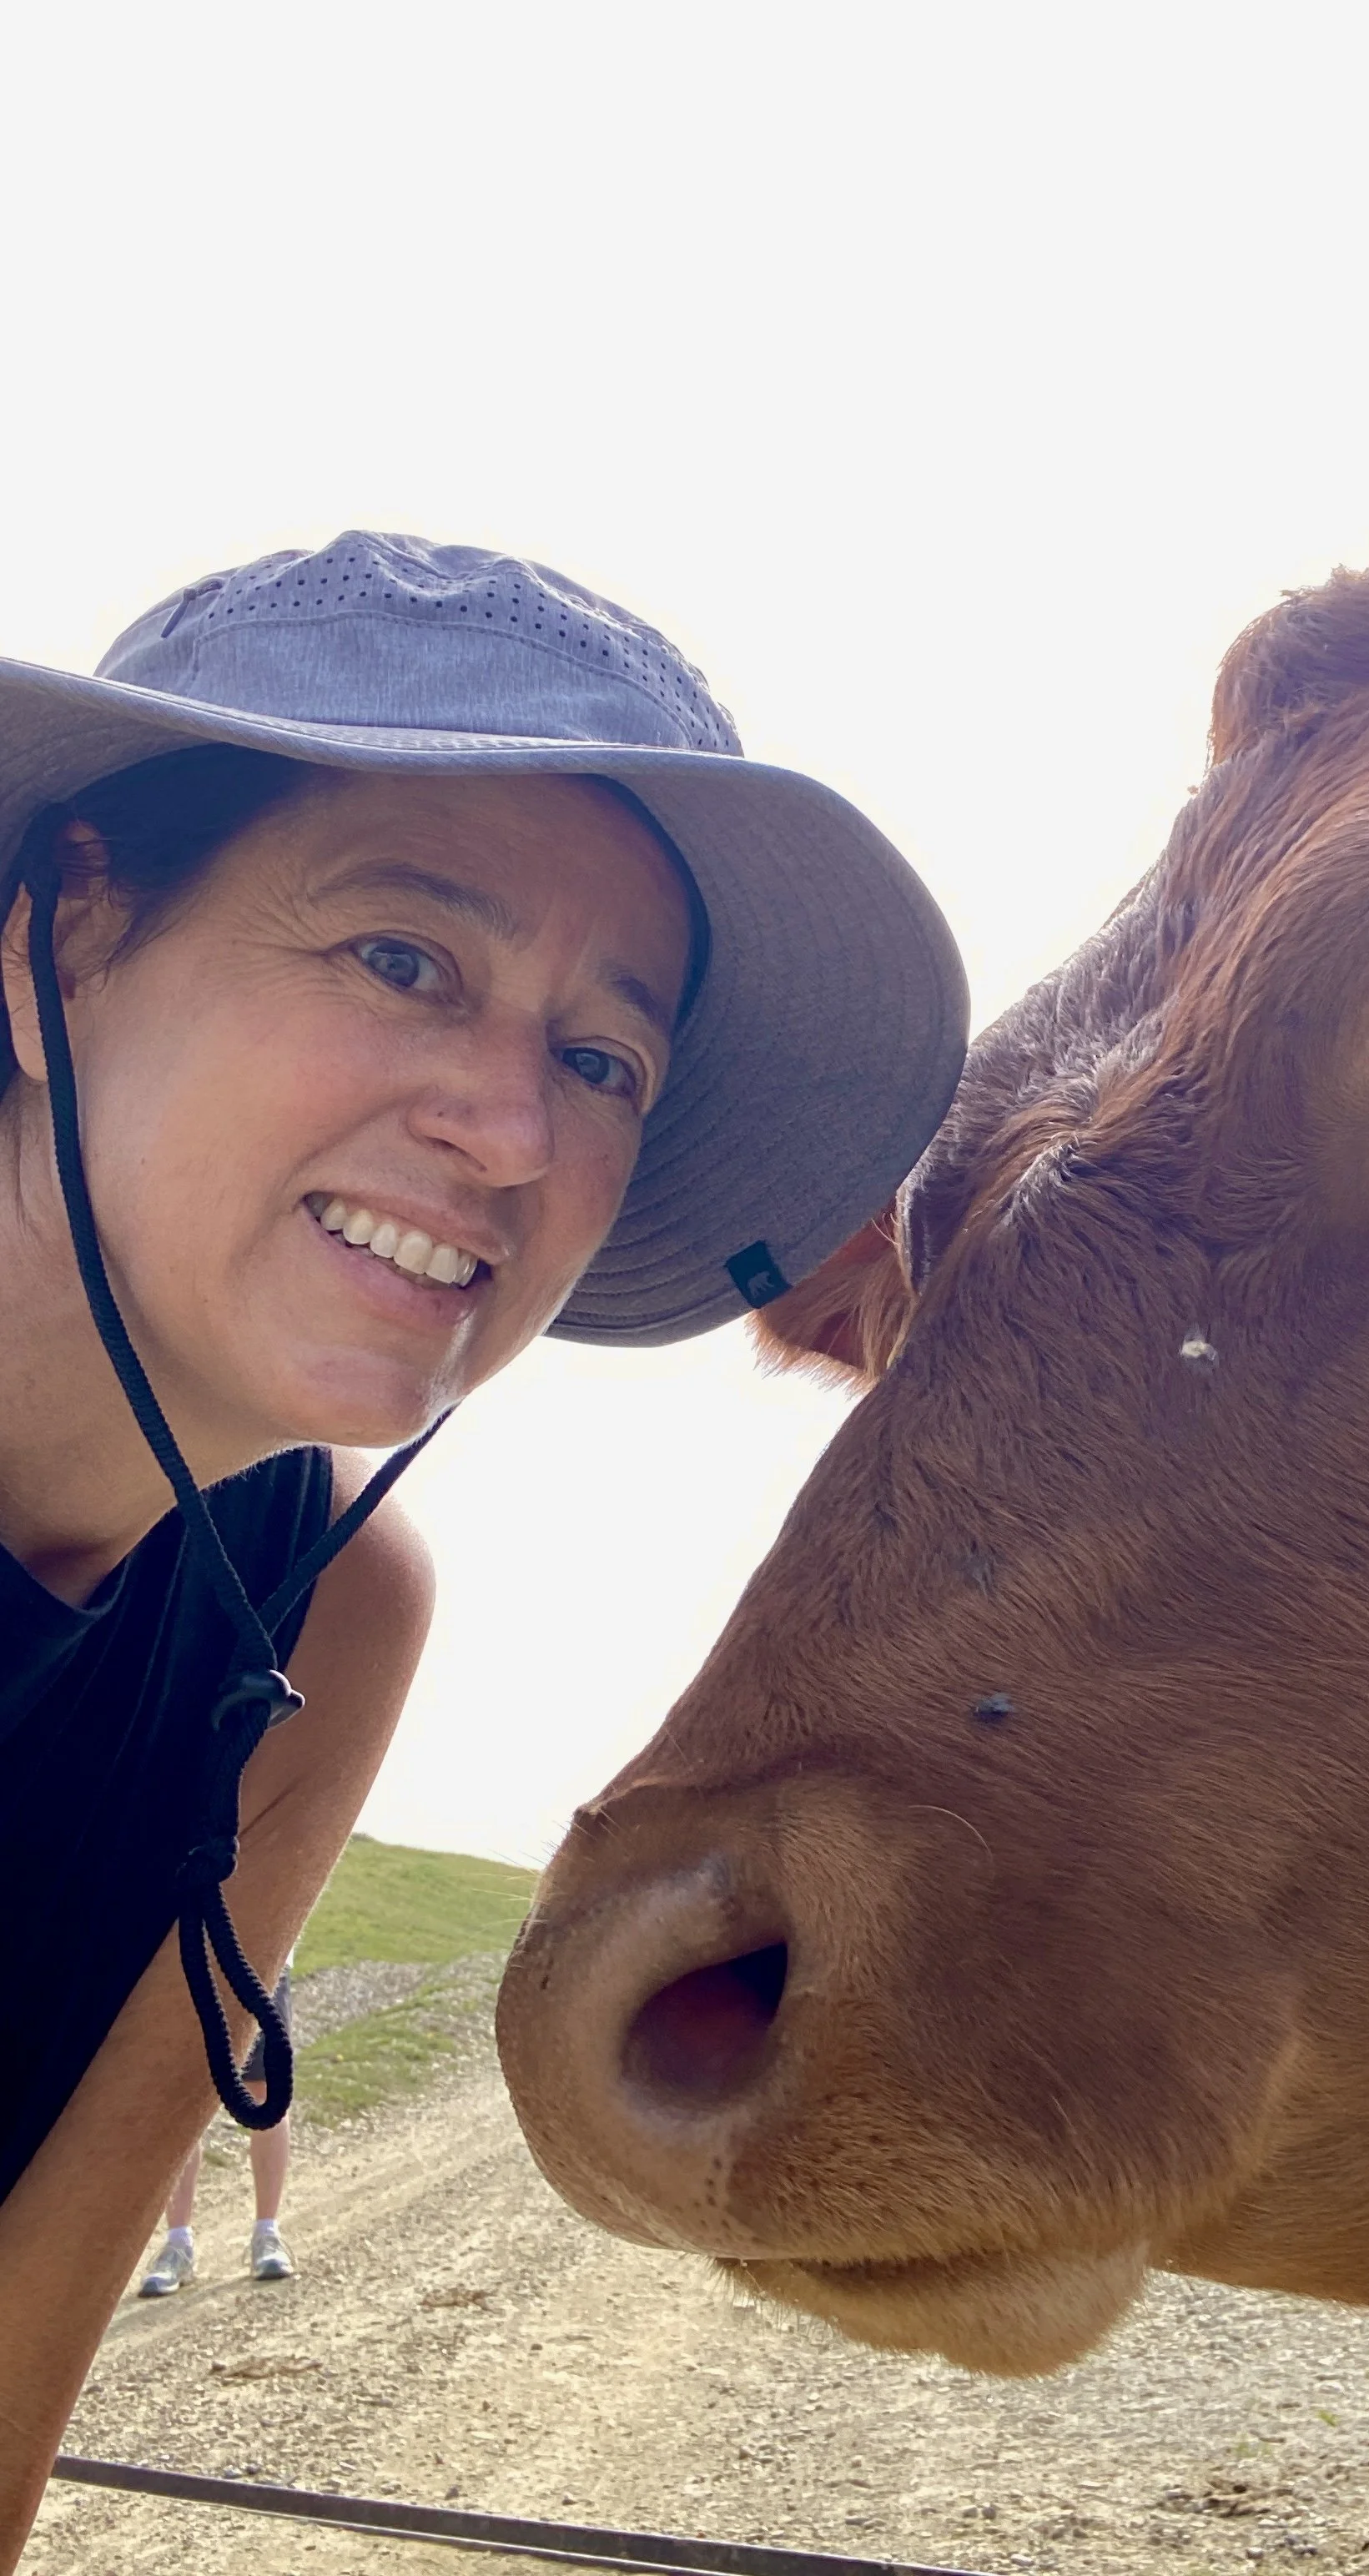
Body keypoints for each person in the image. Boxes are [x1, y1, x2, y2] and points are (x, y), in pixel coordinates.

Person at [0, 534, 967, 2562]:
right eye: (402, 960)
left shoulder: (332, 1616)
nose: (514, 1134)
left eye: (601, 1057)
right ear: (54, 936)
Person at [138, 1958, 295, 2292]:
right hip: (180, 1965)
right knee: (181, 2098)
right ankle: (177, 2244)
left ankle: (267, 2234)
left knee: (265, 2089)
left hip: (258, 1961)